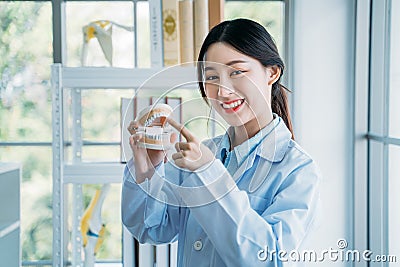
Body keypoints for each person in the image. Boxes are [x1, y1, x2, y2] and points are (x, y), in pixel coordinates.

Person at [122, 18, 321, 266]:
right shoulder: (203, 153)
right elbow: (150, 229)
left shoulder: (298, 170)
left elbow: (266, 259)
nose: (223, 90)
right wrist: (147, 169)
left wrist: (210, 175)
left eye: (236, 72)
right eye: (212, 77)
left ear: (272, 72)